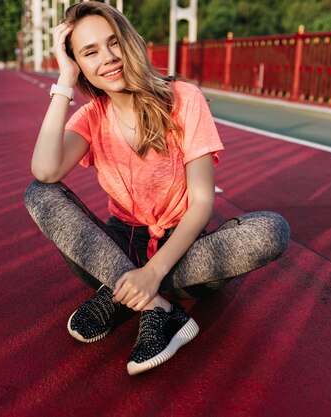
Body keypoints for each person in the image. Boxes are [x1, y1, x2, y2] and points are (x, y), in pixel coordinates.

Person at [24, 1, 290, 376]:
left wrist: (151, 274)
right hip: (116, 249)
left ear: (130, 42)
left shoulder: (182, 98)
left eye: (113, 42)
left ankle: (122, 293)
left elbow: (200, 203)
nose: (108, 58)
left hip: (183, 253)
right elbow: (45, 170)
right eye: (89, 52)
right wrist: (65, 79)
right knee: (39, 193)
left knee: (271, 230)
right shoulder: (92, 116)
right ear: (80, 65)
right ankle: (157, 309)